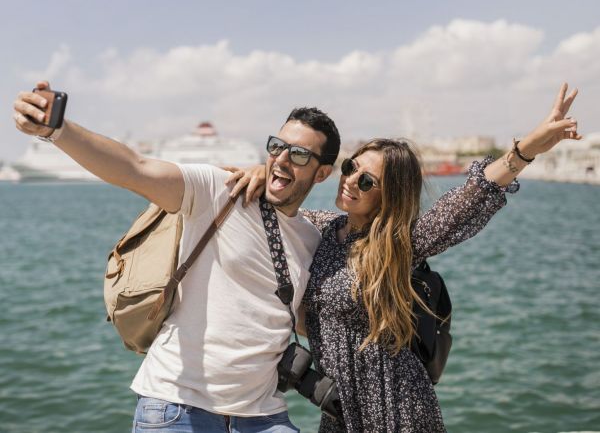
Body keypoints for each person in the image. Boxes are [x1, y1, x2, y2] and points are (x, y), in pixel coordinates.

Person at [230, 83, 580, 432]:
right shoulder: (321, 228)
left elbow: (469, 199)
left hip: (398, 409)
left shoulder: (397, 244)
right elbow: (283, 206)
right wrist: (263, 172)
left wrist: (526, 150)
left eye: (366, 182)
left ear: (389, 195)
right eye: (350, 168)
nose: (350, 181)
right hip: (339, 410)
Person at [12, 81, 342, 433]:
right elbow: (134, 168)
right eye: (277, 147)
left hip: (263, 414)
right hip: (178, 407)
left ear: (322, 173)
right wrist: (57, 130)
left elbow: (298, 319)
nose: (282, 159)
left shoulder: (311, 238)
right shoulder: (218, 190)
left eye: (299, 154)